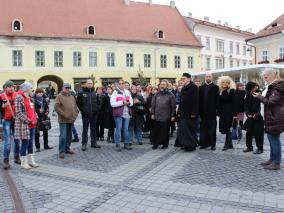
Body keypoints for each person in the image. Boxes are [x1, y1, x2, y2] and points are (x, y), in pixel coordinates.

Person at [253, 69, 284, 170]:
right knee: (271, 140)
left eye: (265, 77)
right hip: (271, 116)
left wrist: (259, 96)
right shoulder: (273, 86)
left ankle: (276, 162)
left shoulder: (277, 87)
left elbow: (271, 102)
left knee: (274, 140)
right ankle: (272, 159)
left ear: (271, 76)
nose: (265, 79)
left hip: (275, 117)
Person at [14, 82, 38, 169]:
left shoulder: (30, 98)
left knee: (31, 142)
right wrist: (28, 121)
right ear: (27, 89)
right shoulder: (19, 97)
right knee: (25, 142)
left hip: (32, 124)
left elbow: (32, 109)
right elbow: (18, 113)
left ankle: (31, 161)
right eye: (31, 88)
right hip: (25, 124)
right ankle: (24, 163)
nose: (32, 90)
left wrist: (36, 117)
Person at [175, 73, 199, 152]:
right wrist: (179, 112)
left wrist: (194, 113)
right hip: (183, 113)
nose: (183, 80)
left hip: (190, 113)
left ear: (189, 79)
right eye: (182, 79)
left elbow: (196, 101)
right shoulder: (183, 88)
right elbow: (181, 102)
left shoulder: (194, 87)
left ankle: (191, 146)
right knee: (183, 130)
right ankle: (185, 144)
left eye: (184, 78)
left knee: (190, 130)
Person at [54, 83, 79, 159]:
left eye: (69, 88)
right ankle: (61, 151)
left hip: (71, 119)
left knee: (69, 136)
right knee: (63, 136)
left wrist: (75, 115)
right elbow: (56, 107)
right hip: (63, 120)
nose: (67, 89)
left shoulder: (72, 96)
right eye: (66, 88)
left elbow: (75, 107)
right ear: (63, 88)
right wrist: (63, 114)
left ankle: (67, 148)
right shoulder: (59, 96)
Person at [0, 81, 20, 169]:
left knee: (17, 140)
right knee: (8, 141)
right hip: (6, 120)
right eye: (9, 87)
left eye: (12, 86)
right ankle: (6, 160)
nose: (11, 88)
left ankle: (17, 157)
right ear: (5, 88)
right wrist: (2, 107)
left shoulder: (17, 95)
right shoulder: (1, 96)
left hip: (16, 120)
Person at [76, 79, 101, 151]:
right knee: (85, 130)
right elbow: (78, 103)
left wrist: (97, 111)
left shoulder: (94, 93)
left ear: (93, 84)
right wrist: (83, 111)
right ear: (86, 84)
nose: (90, 84)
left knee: (93, 129)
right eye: (89, 83)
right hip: (85, 115)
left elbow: (98, 103)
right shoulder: (81, 93)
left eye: (91, 83)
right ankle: (84, 144)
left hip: (94, 115)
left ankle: (94, 143)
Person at [151, 80, 176, 149]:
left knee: (165, 132)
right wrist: (152, 113)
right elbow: (153, 104)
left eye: (164, 84)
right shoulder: (157, 94)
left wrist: (173, 116)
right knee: (156, 131)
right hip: (157, 116)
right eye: (161, 84)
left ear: (167, 86)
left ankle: (165, 144)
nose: (162, 86)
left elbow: (173, 106)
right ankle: (156, 144)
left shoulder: (171, 95)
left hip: (166, 117)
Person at [111, 79, 133, 151]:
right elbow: (112, 104)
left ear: (124, 84)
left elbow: (131, 101)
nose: (121, 84)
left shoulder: (127, 92)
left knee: (126, 129)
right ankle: (117, 144)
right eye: (119, 83)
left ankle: (126, 144)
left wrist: (129, 103)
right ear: (117, 85)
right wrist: (122, 103)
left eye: (122, 83)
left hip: (127, 114)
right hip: (118, 114)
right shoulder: (115, 92)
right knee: (118, 129)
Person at [199, 72, 219, 150]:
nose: (208, 78)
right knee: (203, 129)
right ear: (205, 77)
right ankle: (204, 144)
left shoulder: (215, 87)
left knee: (212, 129)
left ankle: (212, 144)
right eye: (207, 76)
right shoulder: (201, 87)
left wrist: (217, 111)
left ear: (212, 78)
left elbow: (217, 100)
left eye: (209, 76)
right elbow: (199, 100)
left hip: (212, 112)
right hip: (203, 112)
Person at [243, 82, 264, 154]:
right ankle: (249, 147)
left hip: (259, 117)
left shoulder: (260, 94)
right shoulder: (248, 94)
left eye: (254, 88)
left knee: (258, 134)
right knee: (248, 133)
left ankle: (260, 148)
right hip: (250, 117)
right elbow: (245, 105)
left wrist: (257, 114)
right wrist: (248, 114)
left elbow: (262, 106)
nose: (253, 90)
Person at [218, 76, 237, 151]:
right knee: (225, 128)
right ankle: (230, 144)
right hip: (223, 113)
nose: (224, 83)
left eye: (226, 82)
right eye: (223, 82)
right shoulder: (221, 91)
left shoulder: (231, 91)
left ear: (229, 83)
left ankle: (226, 144)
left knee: (228, 128)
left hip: (229, 112)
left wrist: (235, 115)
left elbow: (235, 103)